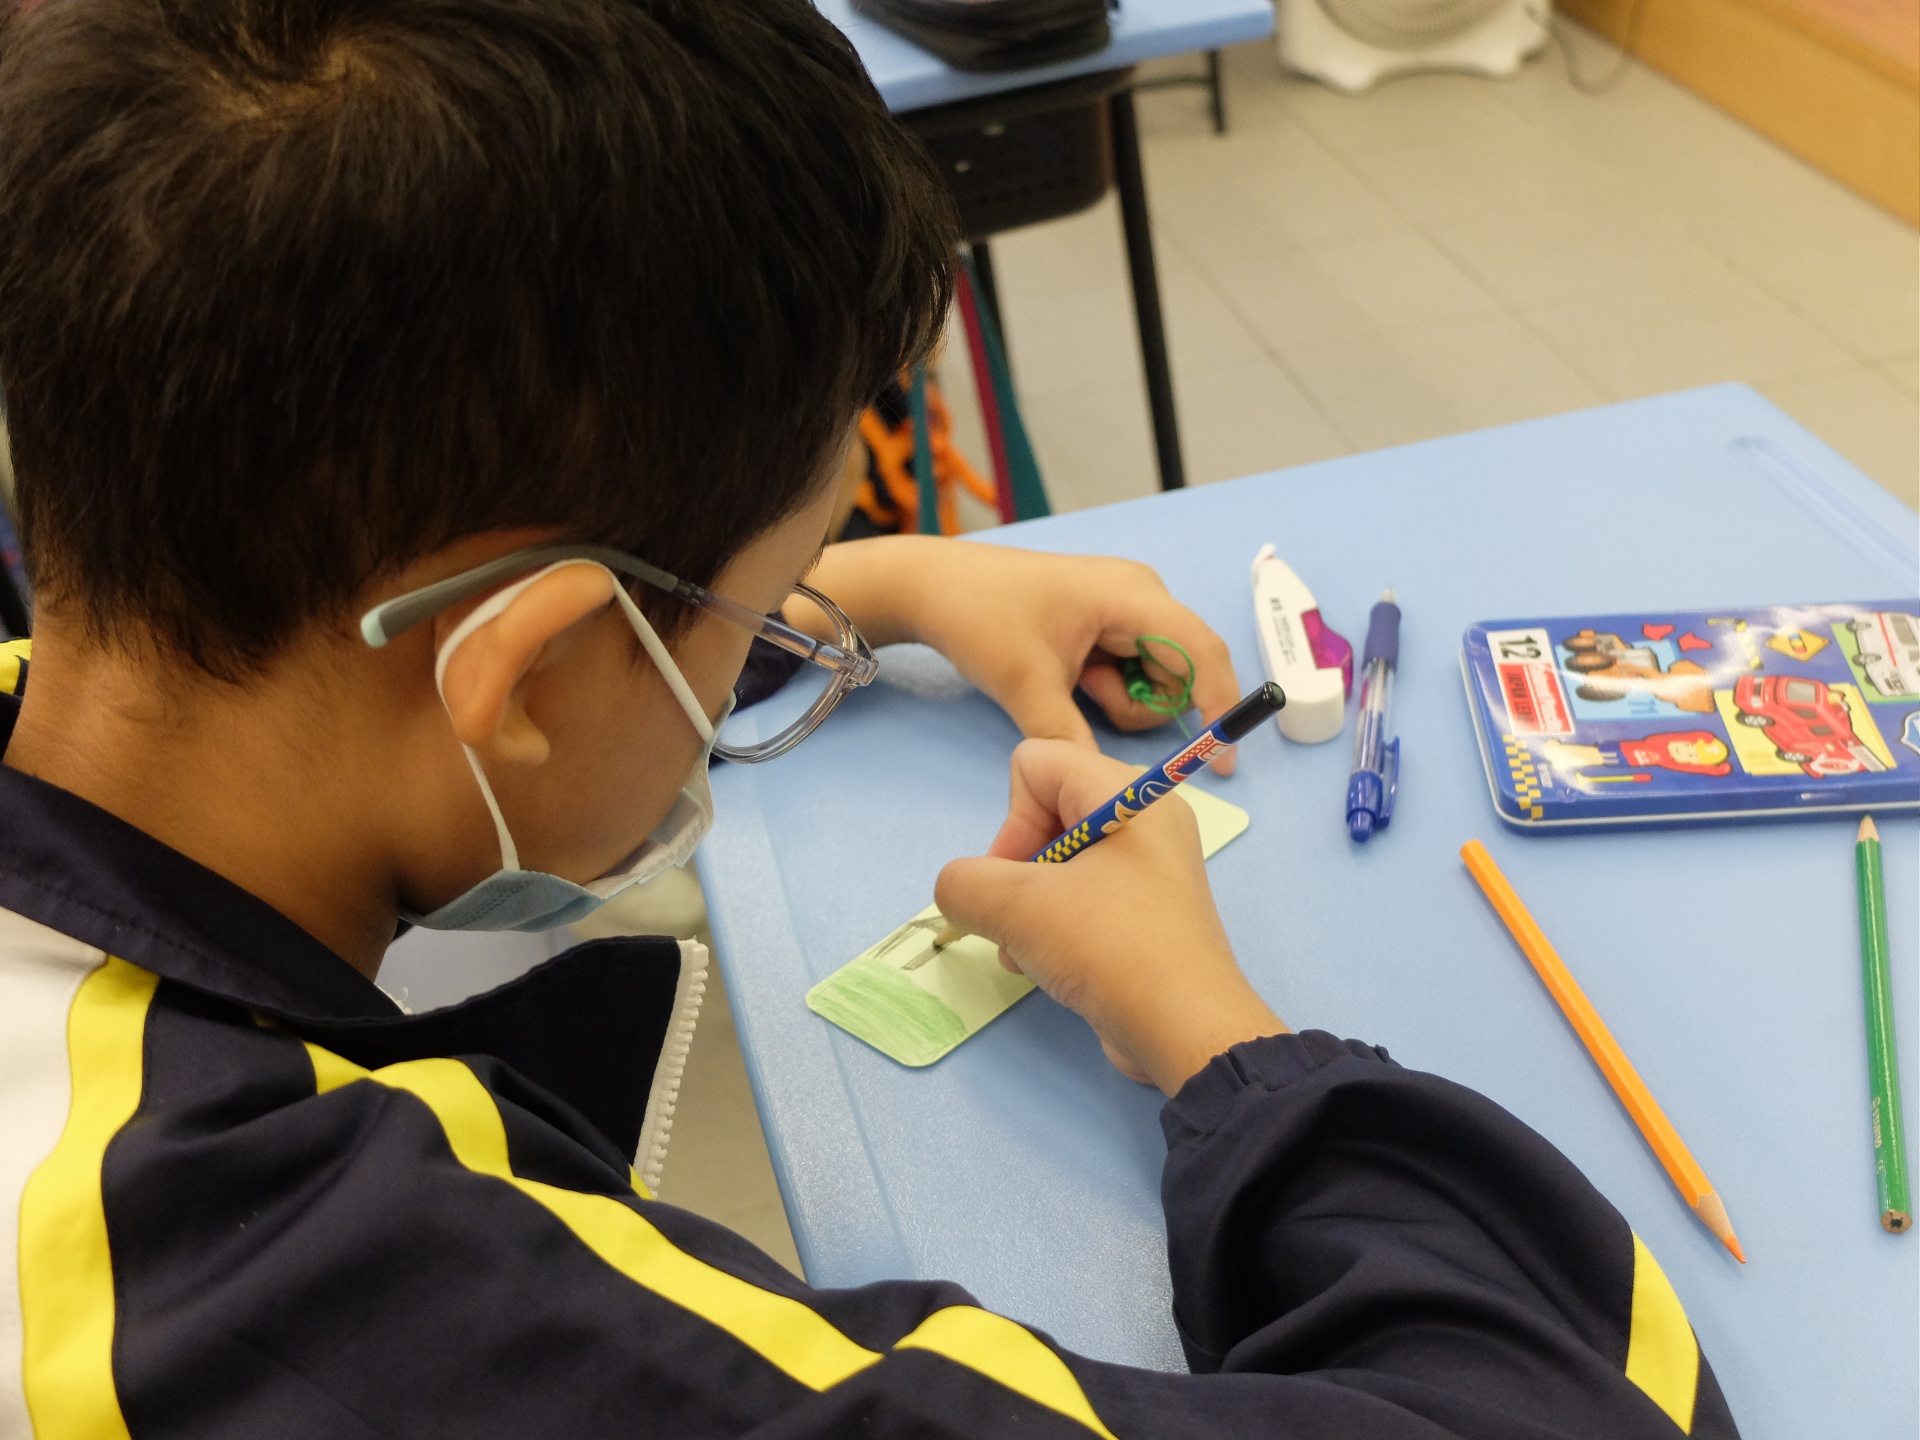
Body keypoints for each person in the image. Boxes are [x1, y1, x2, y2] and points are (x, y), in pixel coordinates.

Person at [0, 1, 1740, 1436]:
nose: (780, 626)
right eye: (766, 595)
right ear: (529, 675)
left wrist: (884, 589)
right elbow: (1569, 1409)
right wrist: (1222, 1039)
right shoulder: (355, 1309)